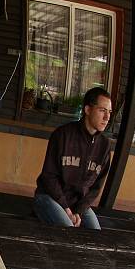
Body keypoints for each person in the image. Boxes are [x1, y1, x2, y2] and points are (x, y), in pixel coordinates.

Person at [33, 87, 112, 230]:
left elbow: (96, 188)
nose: (107, 117)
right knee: (69, 231)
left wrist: (79, 211)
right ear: (87, 110)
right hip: (49, 198)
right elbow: (49, 176)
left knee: (97, 237)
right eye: (102, 110)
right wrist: (66, 208)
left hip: (77, 204)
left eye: (109, 112)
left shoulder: (105, 146)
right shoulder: (63, 135)